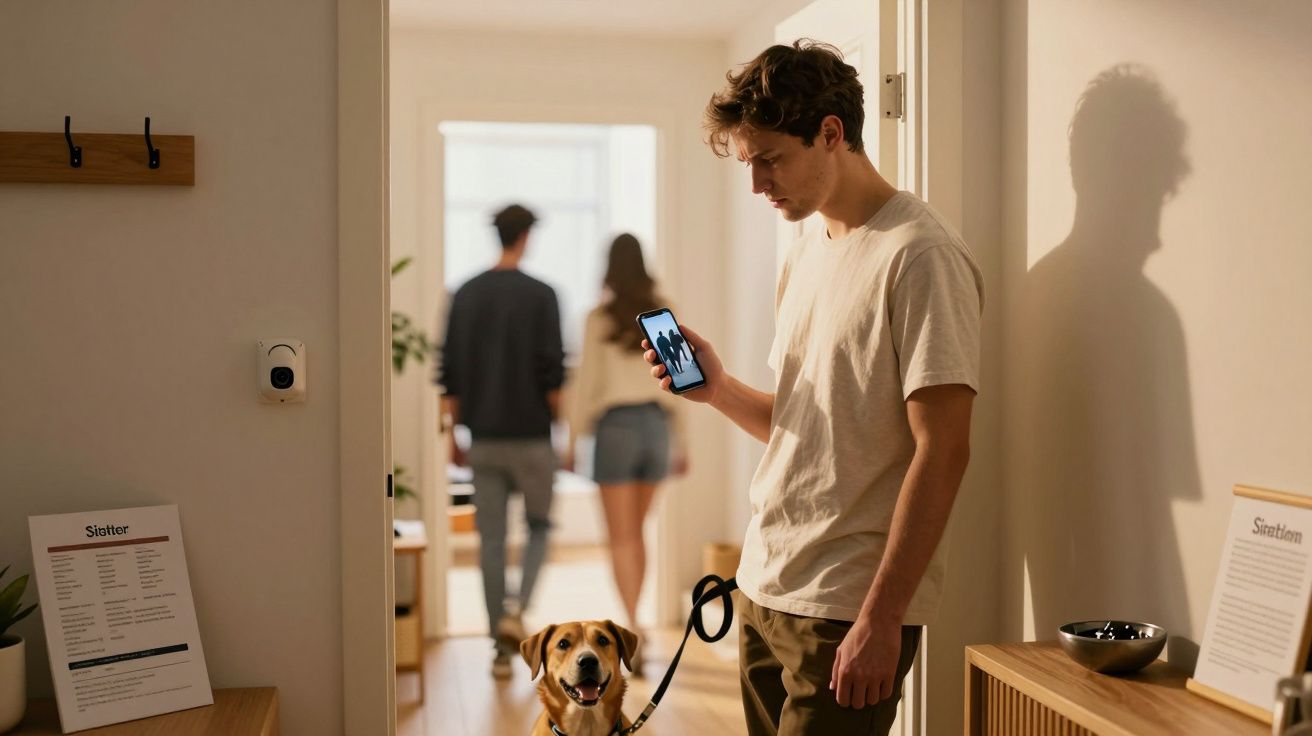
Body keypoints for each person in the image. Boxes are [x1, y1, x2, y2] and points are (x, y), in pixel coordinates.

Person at [645, 41, 983, 734]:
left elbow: (943, 450)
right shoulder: (805, 248)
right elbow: (817, 425)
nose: (757, 183)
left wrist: (882, 618)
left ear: (831, 133)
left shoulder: (921, 257)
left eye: (770, 159)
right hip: (765, 583)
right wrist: (719, 390)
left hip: (844, 608)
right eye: (749, 163)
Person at [437, 203, 566, 680]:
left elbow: (448, 372)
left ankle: (498, 647)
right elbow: (553, 372)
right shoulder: (543, 295)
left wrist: (454, 433)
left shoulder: (466, 294)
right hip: (532, 437)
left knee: (490, 540)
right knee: (538, 527)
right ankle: (517, 610)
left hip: (484, 439)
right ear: (526, 236)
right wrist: (560, 432)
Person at [565, 233, 687, 675]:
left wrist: (572, 439)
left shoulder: (597, 319)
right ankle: (638, 626)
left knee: (622, 538)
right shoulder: (662, 312)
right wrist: (682, 444)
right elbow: (683, 381)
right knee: (637, 533)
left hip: (615, 429)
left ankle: (633, 625)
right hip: (656, 427)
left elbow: (584, 387)